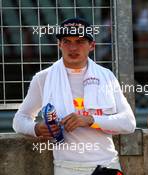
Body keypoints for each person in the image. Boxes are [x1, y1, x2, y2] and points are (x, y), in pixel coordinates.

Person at [13, 17, 136, 175]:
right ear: (59, 44)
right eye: (66, 41)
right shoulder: (43, 78)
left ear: (92, 45)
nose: (73, 47)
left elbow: (129, 123)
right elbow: (19, 119)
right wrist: (36, 128)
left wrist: (91, 120)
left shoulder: (107, 76)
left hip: (108, 165)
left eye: (80, 41)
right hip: (66, 168)